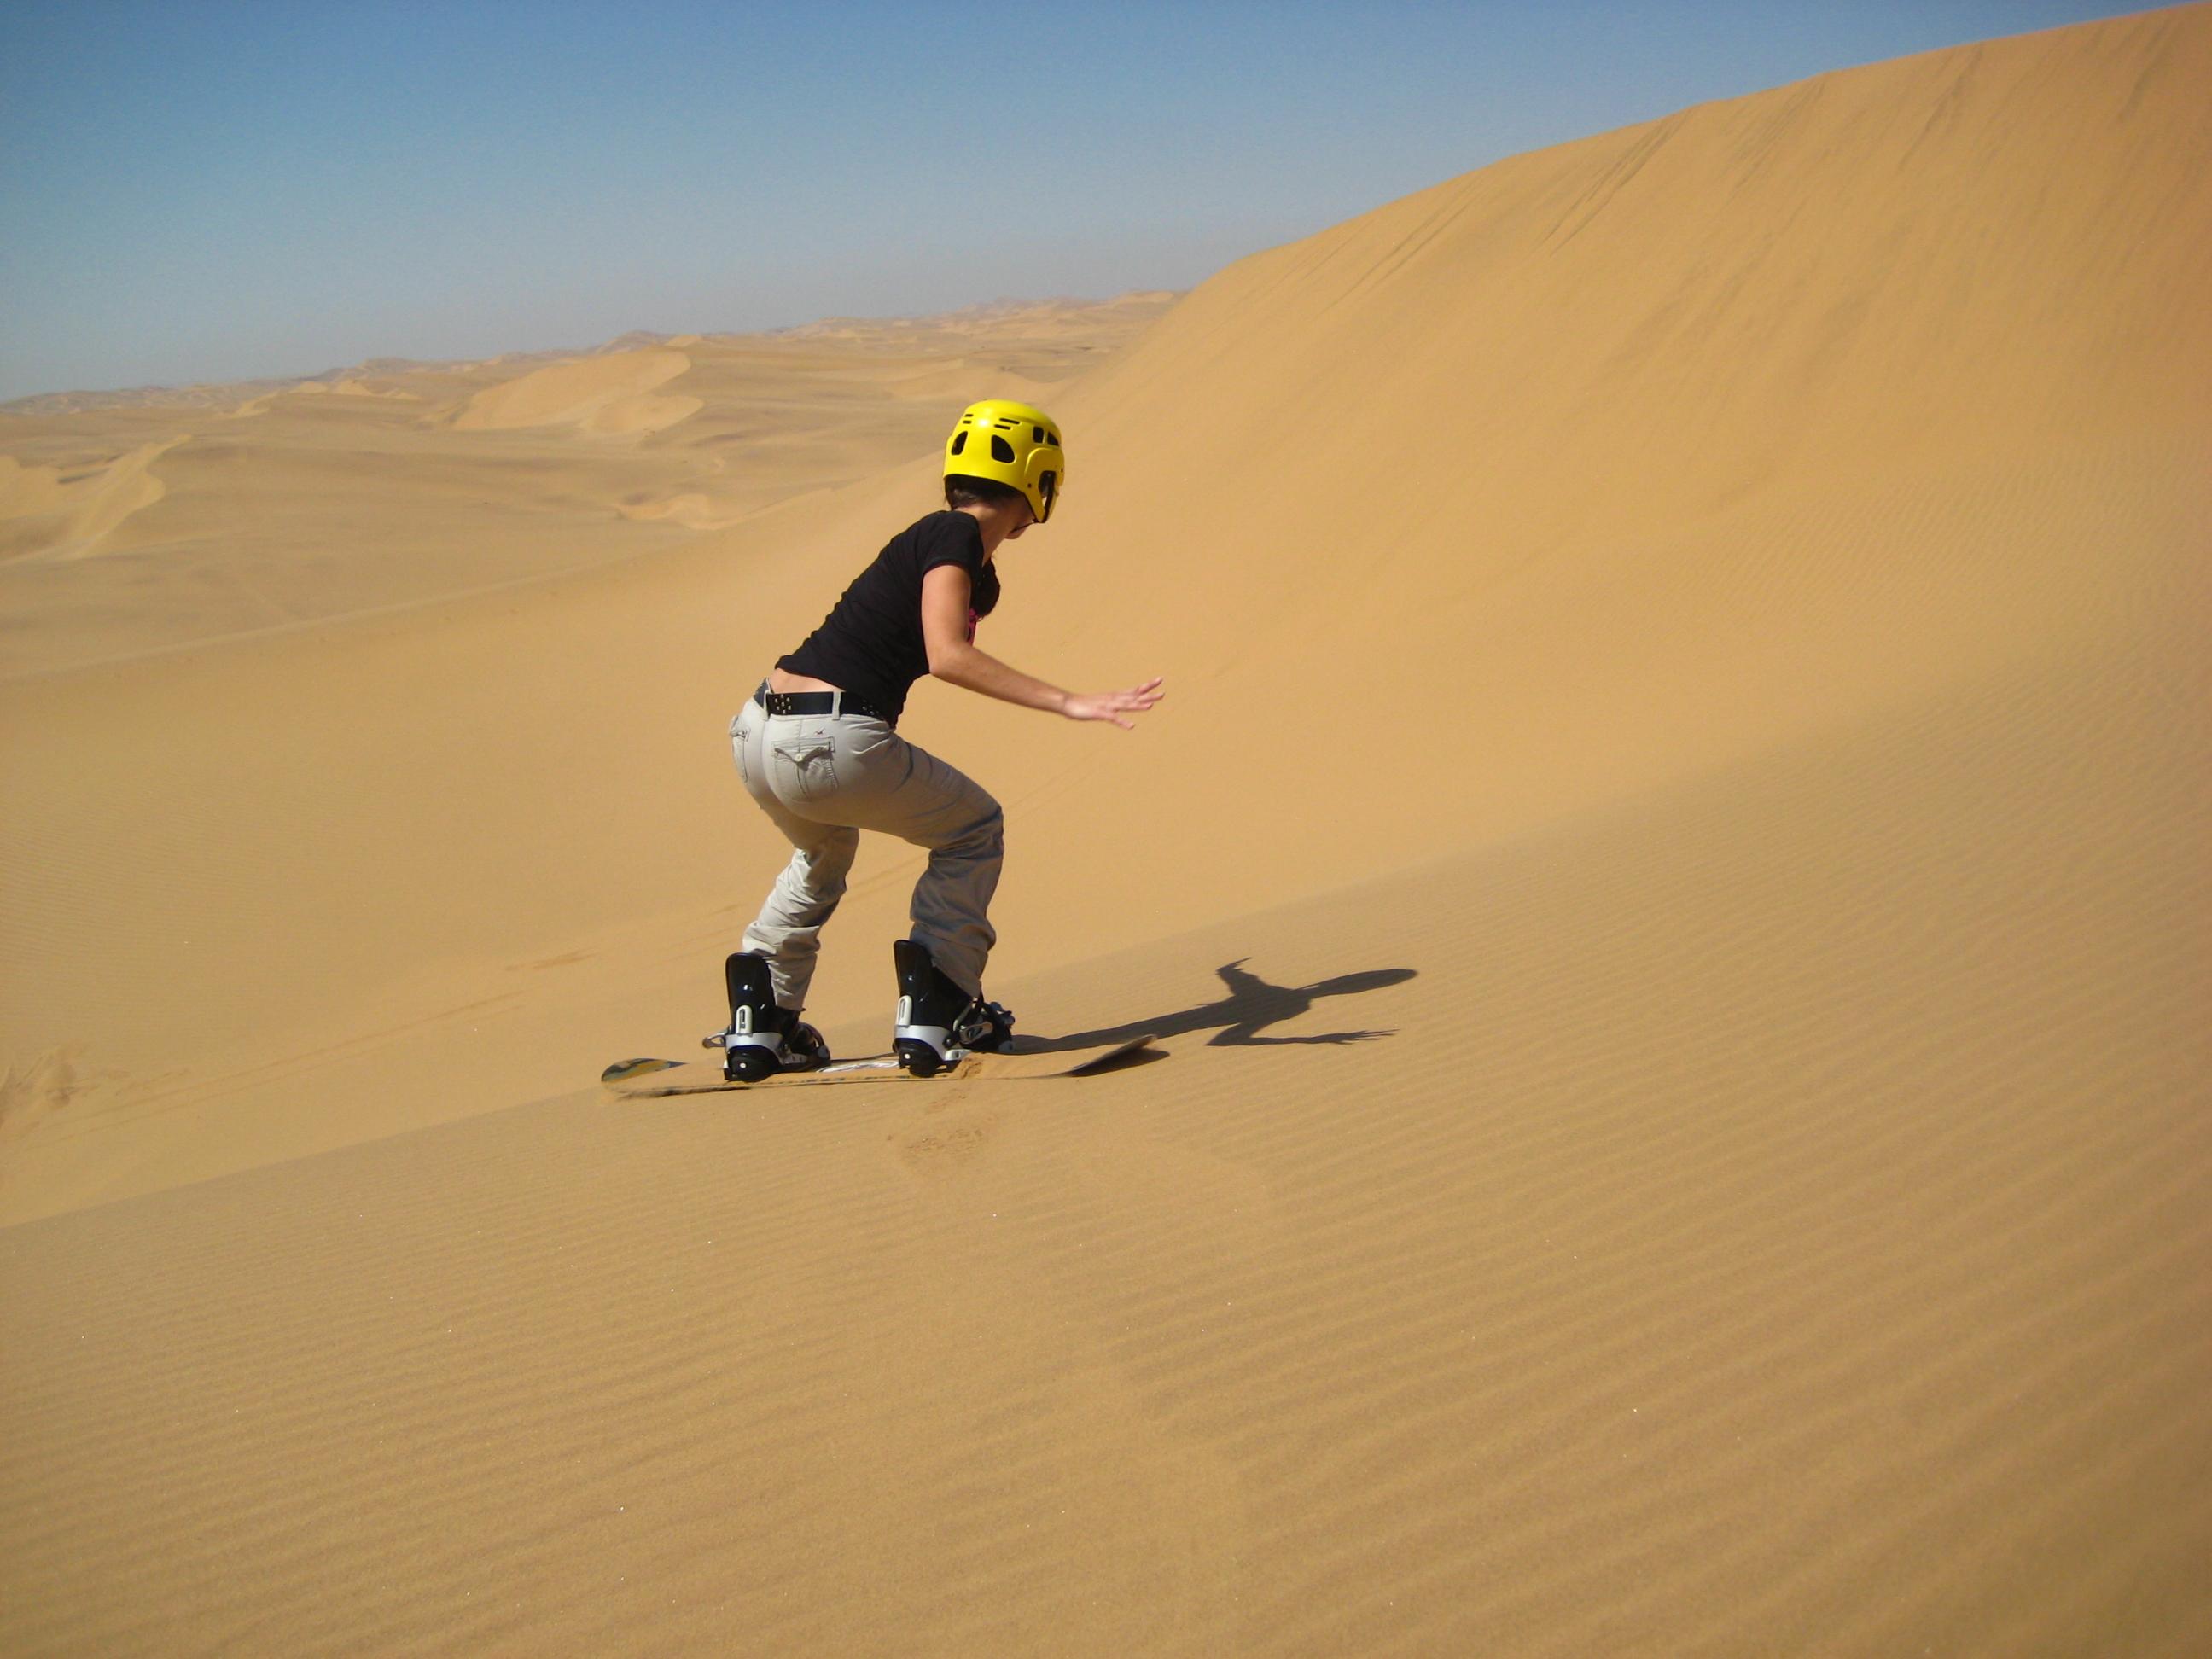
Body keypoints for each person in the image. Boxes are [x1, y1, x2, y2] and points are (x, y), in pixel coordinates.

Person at [717, 399, 1164, 1079]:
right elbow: (947, 654)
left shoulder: (951, 551)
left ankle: (763, 1023)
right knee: (974, 829)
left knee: (822, 853)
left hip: (758, 730)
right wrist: (1069, 702)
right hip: (833, 736)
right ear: (1038, 484)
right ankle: (941, 1007)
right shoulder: (952, 537)